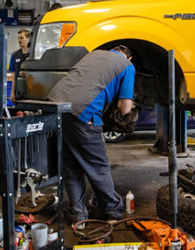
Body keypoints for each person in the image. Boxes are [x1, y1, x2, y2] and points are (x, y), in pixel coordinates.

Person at [47, 45, 135, 227]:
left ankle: (78, 216)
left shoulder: (93, 55)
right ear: (129, 57)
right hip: (83, 113)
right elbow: (124, 107)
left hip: (55, 107)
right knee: (98, 166)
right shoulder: (126, 65)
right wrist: (132, 106)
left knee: (70, 166)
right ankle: (112, 211)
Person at [9, 29, 31, 103]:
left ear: (28, 39)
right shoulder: (15, 55)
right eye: (18, 38)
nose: (19, 40)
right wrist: (11, 93)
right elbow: (12, 75)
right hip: (18, 93)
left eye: (21, 38)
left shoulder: (33, 55)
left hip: (31, 91)